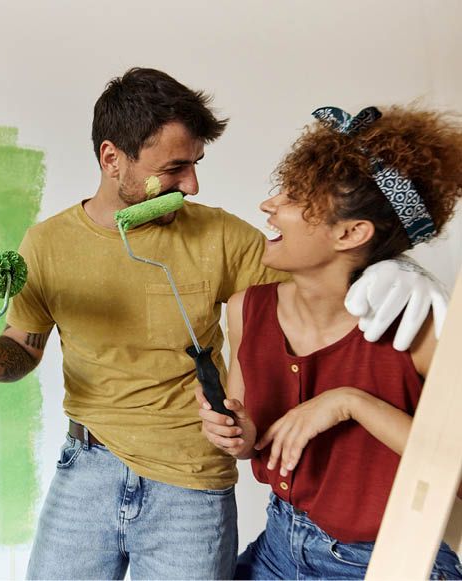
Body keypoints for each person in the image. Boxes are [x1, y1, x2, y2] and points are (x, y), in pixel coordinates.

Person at [0, 69, 448, 580]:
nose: (192, 185)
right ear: (113, 159)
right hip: (86, 467)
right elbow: (22, 352)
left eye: (196, 164)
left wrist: (397, 268)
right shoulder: (46, 243)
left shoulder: (222, 235)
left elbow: (326, 265)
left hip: (192, 483)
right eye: (176, 167)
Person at [197, 105, 462, 579]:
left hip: (386, 560)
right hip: (278, 546)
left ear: (351, 232)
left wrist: (349, 404)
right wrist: (238, 435)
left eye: (296, 196)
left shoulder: (416, 328)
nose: (269, 204)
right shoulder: (246, 309)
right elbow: (251, 439)